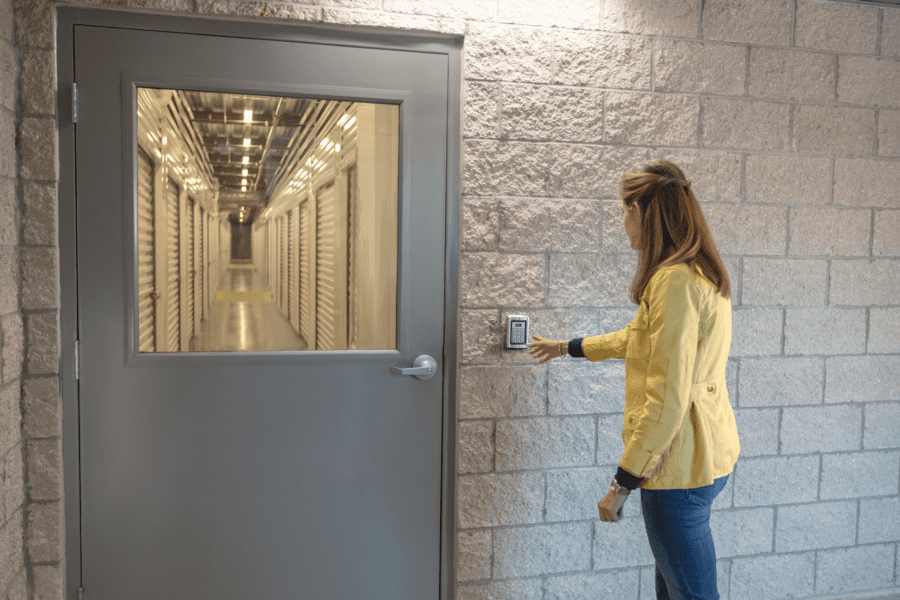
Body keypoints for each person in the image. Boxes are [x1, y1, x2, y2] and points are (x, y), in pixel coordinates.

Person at [527, 159, 740, 600]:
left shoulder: (674, 283)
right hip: (705, 457)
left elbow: (666, 399)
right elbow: (639, 339)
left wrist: (622, 483)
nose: (623, 222)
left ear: (643, 213)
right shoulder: (697, 274)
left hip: (675, 468)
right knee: (675, 589)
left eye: (624, 211)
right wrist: (570, 346)